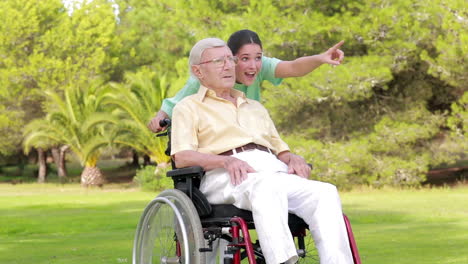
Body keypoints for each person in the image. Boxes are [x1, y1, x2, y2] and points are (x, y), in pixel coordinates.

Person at [171, 37, 353, 264]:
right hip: (226, 174)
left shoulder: (255, 107)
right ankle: (284, 261)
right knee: (266, 187)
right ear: (198, 71)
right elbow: (182, 157)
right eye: (219, 61)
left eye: (230, 59)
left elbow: (280, 150)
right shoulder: (188, 107)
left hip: (271, 170)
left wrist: (292, 157)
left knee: (324, 192)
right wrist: (224, 162)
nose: (228, 65)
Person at [147, 29, 344, 132]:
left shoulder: (261, 67)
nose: (253, 66)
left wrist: (320, 58)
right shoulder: (205, 78)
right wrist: (158, 119)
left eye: (257, 57)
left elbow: (293, 67)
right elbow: (172, 105)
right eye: (244, 59)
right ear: (230, 59)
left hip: (250, 132)